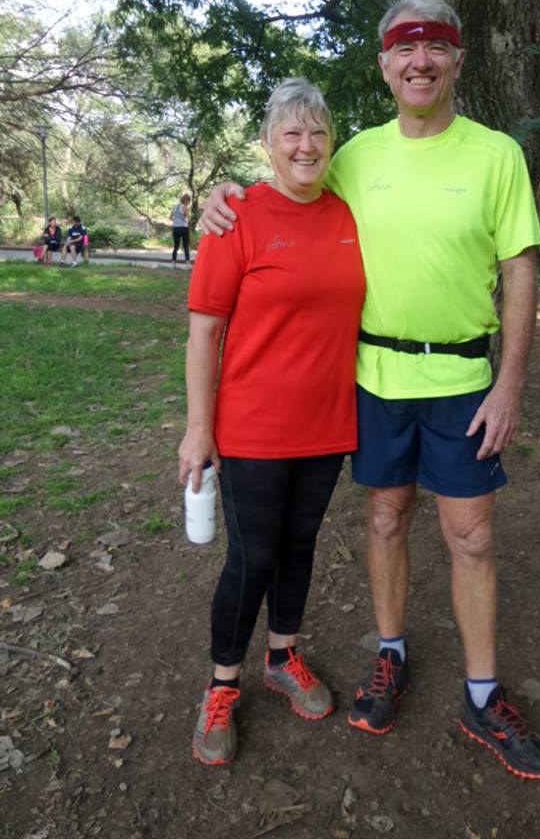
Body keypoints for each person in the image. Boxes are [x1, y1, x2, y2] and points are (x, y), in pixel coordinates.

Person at [199, 0, 540, 779]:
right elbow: (288, 178)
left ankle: (482, 695)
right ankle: (388, 656)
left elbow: (519, 270)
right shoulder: (355, 154)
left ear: (457, 58)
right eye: (404, 47)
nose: (419, 61)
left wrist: (509, 383)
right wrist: (222, 195)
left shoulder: (496, 154)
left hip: (463, 379)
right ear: (384, 64)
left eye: (435, 47)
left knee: (472, 537)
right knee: (387, 518)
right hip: (373, 378)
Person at [178, 78, 365, 766]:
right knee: (253, 555)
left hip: (327, 424)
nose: (306, 145)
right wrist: (198, 428)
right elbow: (204, 332)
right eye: (291, 133)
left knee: (300, 544)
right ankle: (222, 684)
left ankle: (283, 656)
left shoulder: (350, 213)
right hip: (252, 426)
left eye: (317, 131)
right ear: (267, 144)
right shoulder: (236, 217)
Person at [171, 195, 191, 265]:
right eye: (188, 201)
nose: (189, 203)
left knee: (176, 246)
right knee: (186, 246)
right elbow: (189, 219)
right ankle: (187, 262)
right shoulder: (185, 207)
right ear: (186, 201)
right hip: (183, 228)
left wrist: (176, 221)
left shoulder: (174, 207)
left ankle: (173, 262)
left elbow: (170, 217)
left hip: (175, 228)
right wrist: (187, 222)